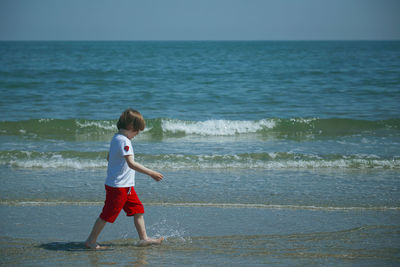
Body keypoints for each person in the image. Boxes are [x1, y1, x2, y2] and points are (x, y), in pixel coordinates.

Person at [85, 108, 164, 249]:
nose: (137, 134)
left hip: (125, 186)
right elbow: (131, 164)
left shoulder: (116, 138)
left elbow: (109, 157)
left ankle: (144, 238)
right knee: (107, 215)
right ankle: (91, 241)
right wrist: (151, 173)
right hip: (118, 187)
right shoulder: (125, 142)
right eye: (137, 131)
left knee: (138, 210)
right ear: (130, 127)